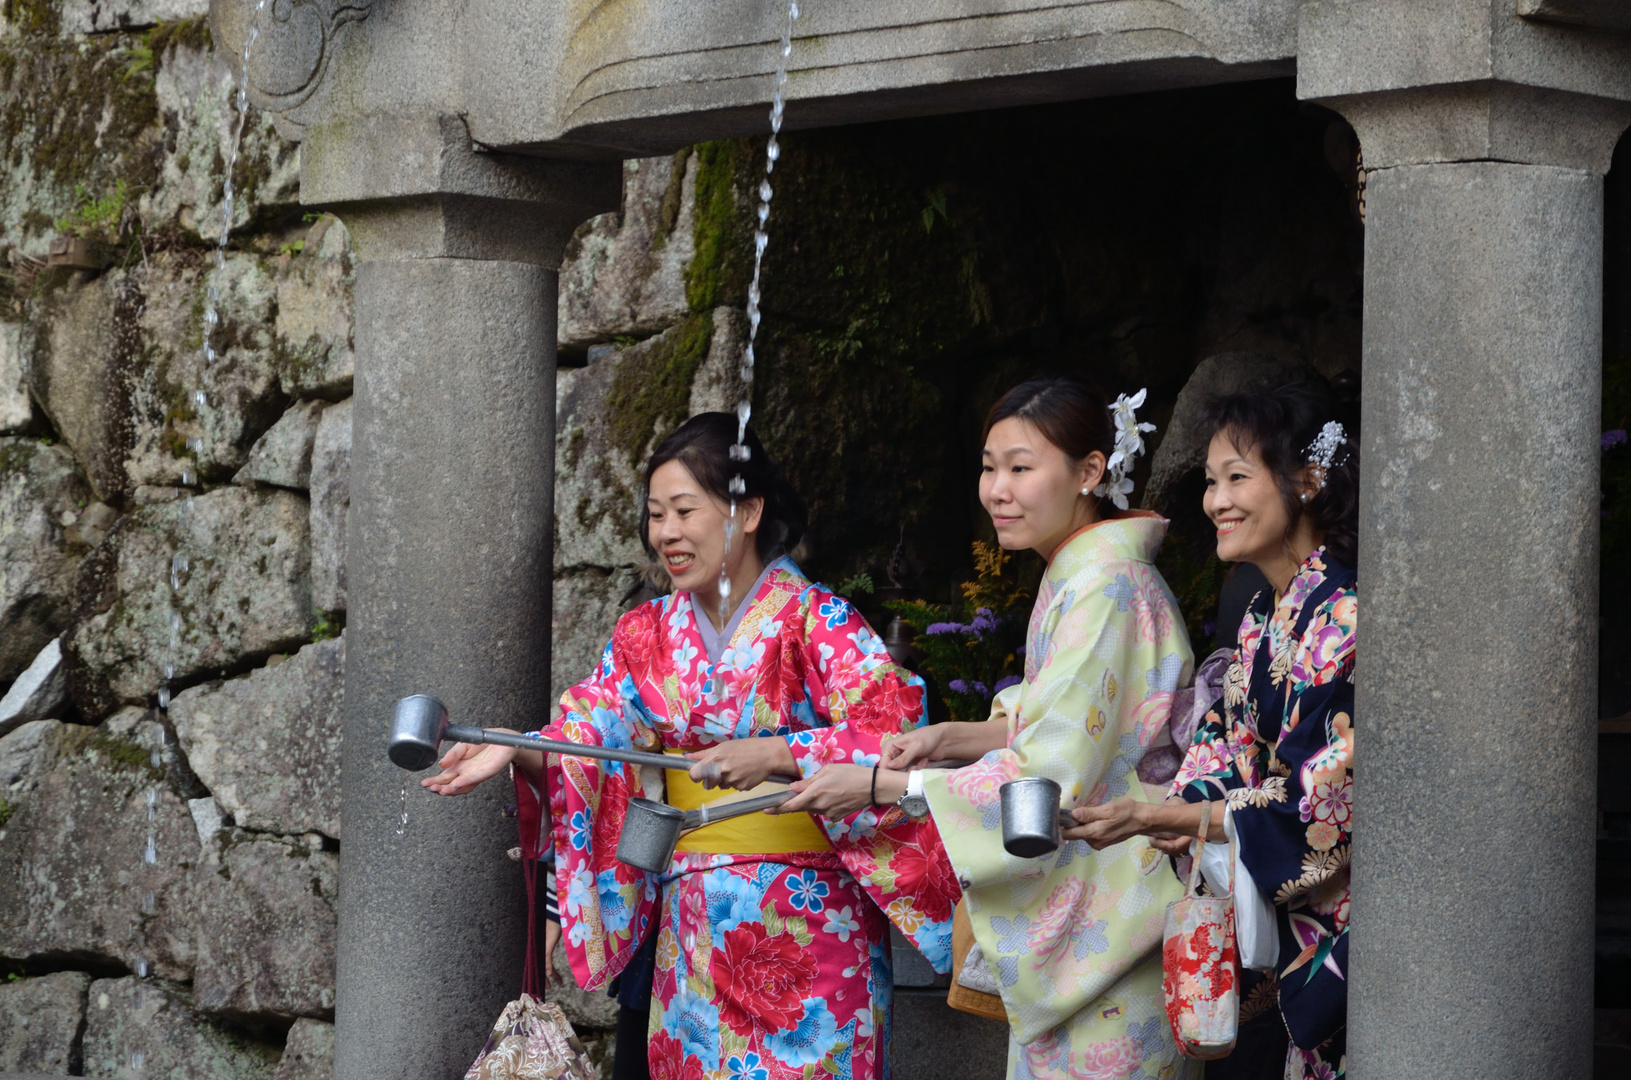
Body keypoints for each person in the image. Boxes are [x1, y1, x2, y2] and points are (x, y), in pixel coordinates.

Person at [422, 412, 957, 1080]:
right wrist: (518, 748)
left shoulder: (818, 619)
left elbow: (896, 736)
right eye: (655, 515)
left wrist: (778, 754)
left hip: (813, 926)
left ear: (749, 510)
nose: (666, 533)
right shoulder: (645, 634)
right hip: (694, 933)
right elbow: (590, 729)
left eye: (684, 510)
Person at [779, 377, 1198, 1080]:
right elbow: (1062, 718)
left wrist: (882, 785)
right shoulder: (1085, 577)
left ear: (1089, 472)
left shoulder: (1104, 588)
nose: (996, 489)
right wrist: (953, 738)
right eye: (988, 465)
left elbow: (1051, 773)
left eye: (1020, 467)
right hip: (1104, 917)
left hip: (1115, 921)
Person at [1066, 384, 1358, 1080]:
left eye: (1236, 478)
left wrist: (1183, 813)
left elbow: (1323, 808)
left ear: (1308, 481)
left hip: (1333, 929)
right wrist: (1187, 811)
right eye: (1208, 482)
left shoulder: (1344, 615)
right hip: (1260, 921)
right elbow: (1220, 746)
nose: (1214, 501)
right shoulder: (1261, 615)